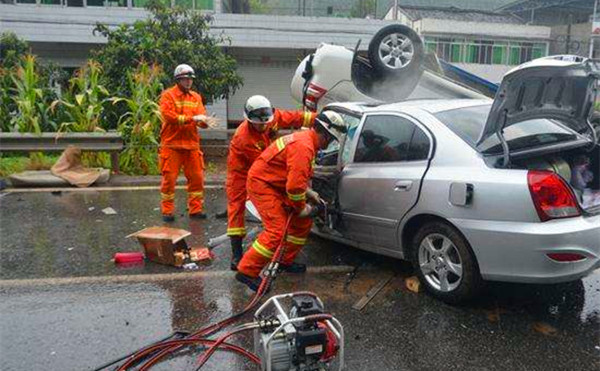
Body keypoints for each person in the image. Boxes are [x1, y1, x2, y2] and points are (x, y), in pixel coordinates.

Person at [235, 111, 347, 291]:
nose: (330, 143)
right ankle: (247, 271)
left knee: (301, 224)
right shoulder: (304, 147)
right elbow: (294, 188)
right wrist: (302, 208)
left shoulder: (306, 141)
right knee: (276, 231)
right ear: (324, 134)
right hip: (263, 185)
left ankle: (284, 260)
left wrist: (309, 193)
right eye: (331, 139)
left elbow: (295, 178)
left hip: (277, 183)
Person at [226, 95, 316, 270]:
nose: (263, 126)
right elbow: (263, 164)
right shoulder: (243, 138)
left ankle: (284, 259)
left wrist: (319, 118)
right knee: (236, 208)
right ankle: (236, 255)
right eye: (258, 123)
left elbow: (297, 117)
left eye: (265, 122)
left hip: (263, 165)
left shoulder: (271, 119)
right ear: (248, 120)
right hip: (241, 173)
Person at [159, 64, 219, 222]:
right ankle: (167, 211)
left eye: (190, 79)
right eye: (185, 79)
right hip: (172, 145)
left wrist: (206, 122)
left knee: (197, 178)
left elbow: (200, 118)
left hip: (191, 145)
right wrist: (192, 119)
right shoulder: (168, 95)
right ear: (178, 80)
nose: (189, 82)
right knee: (169, 180)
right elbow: (169, 117)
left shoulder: (196, 97)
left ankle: (196, 209)